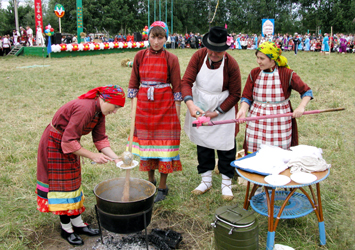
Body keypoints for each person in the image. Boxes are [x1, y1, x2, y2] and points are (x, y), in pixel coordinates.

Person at [36, 85, 126, 246]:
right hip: (55, 144)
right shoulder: (85, 109)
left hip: (70, 144)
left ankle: (77, 223)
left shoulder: (99, 111)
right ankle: (66, 229)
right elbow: (68, 141)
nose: (115, 112)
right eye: (115, 107)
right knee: (62, 189)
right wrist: (93, 156)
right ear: (105, 100)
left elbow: (100, 139)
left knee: (73, 184)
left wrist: (116, 159)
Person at [181, 26, 241, 201]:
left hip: (223, 107)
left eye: (218, 52)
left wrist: (217, 112)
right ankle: (205, 181)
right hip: (200, 105)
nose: (214, 55)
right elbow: (186, 81)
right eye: (212, 51)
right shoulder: (198, 57)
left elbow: (236, 93)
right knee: (203, 144)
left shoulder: (231, 64)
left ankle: (226, 184)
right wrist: (190, 103)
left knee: (226, 147)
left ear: (225, 49)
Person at [127, 21, 182, 203]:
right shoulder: (140, 56)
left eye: (160, 37)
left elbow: (177, 87)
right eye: (153, 37)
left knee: (164, 148)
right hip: (144, 106)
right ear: (148, 37)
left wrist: (177, 110)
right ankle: (150, 182)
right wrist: (132, 105)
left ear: (166, 38)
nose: (156, 41)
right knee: (147, 145)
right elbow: (134, 82)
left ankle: (163, 187)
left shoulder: (171, 58)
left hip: (164, 106)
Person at [236, 41, 313, 155]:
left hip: (280, 119)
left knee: (278, 153)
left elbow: (307, 91)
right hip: (257, 118)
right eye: (257, 58)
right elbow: (247, 96)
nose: (258, 61)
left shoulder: (287, 74)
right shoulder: (254, 73)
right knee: (255, 150)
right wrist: (243, 109)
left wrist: (301, 107)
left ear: (272, 59)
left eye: (262, 58)